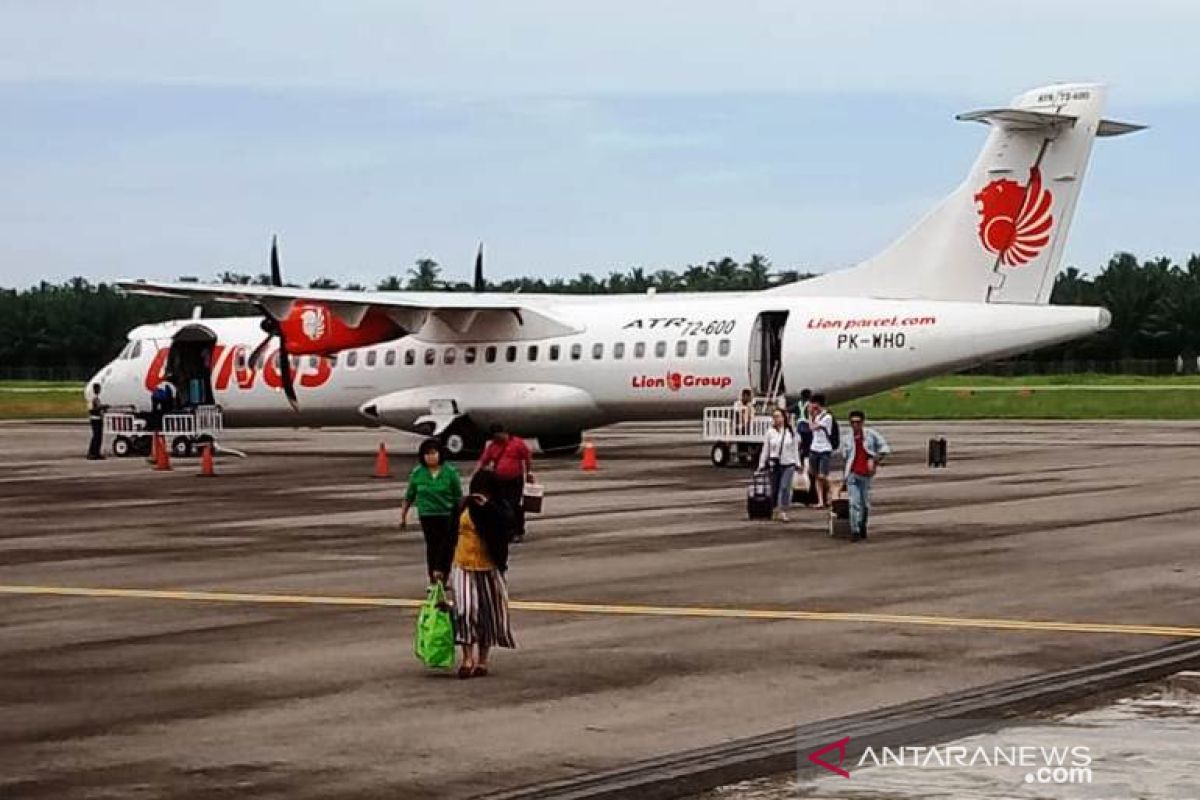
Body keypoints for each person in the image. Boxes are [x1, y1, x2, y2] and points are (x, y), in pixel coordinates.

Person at [448, 470, 516, 678]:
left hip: (489, 566)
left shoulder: (500, 507)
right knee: (466, 611)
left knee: (488, 613)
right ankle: (467, 659)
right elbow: (448, 536)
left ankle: (483, 660)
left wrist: (487, 507)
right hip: (462, 563)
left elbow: (507, 528)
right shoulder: (462, 506)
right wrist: (439, 568)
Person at [401, 439, 463, 583]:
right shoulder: (418, 473)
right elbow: (410, 495)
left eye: (433, 453)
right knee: (432, 546)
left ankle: (443, 574)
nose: (430, 457)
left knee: (446, 546)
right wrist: (403, 515)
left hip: (447, 514)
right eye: (427, 454)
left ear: (440, 454)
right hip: (428, 514)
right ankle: (433, 577)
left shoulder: (450, 472)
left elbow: (458, 496)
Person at [476, 423, 534, 542]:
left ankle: (518, 531)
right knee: (501, 506)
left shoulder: (517, 443)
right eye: (494, 437)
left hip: (515, 479)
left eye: (498, 436)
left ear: (504, 433)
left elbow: (527, 457)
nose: (497, 439)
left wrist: (529, 473)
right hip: (499, 481)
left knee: (514, 505)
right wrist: (476, 475)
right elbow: (483, 461)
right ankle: (507, 531)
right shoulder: (492, 446)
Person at [840, 410, 890, 542]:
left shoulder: (871, 435)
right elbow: (845, 456)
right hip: (852, 474)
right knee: (854, 503)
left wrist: (875, 459)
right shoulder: (846, 438)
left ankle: (862, 525)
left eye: (858, 422)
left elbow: (885, 447)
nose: (855, 425)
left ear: (862, 422)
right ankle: (855, 530)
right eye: (852, 423)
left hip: (866, 474)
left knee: (865, 504)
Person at [757, 407, 801, 522]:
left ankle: (784, 510)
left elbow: (795, 448)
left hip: (788, 463)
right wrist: (761, 464)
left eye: (778, 416)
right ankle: (774, 508)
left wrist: (798, 463)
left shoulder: (791, 431)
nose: (776, 419)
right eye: (774, 417)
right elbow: (765, 449)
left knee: (785, 487)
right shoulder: (770, 432)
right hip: (774, 463)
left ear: (784, 418)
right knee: (774, 489)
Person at [807, 393, 836, 509]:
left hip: (824, 449)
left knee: (823, 475)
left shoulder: (827, 417)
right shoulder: (817, 416)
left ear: (818, 404)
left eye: (813, 403)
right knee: (816, 476)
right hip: (814, 448)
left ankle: (834, 490)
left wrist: (810, 416)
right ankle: (820, 500)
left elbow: (812, 427)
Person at [86, 383, 107, 460]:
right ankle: (91, 453)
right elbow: (92, 410)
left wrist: (102, 408)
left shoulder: (97, 398)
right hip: (95, 419)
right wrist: (101, 408)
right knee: (96, 436)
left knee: (99, 437)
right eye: (98, 389)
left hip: (99, 419)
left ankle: (97, 452)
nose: (99, 390)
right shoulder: (92, 399)